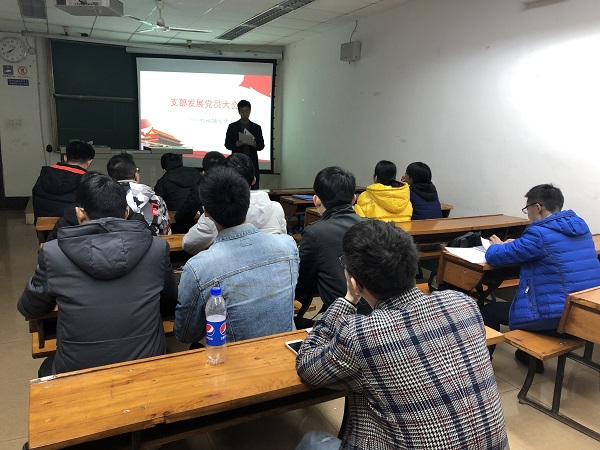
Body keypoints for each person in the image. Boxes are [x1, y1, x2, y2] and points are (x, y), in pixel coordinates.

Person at [295, 220, 509, 450]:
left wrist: (348, 300)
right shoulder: (463, 304)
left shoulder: (363, 334)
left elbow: (307, 365)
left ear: (355, 283)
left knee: (313, 441)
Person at [18, 172, 177, 377]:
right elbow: (169, 300)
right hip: (147, 361)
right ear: (126, 212)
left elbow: (30, 308)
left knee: (45, 370)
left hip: (78, 370)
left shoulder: (53, 254)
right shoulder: (157, 248)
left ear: (79, 214)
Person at [482, 184, 600, 369]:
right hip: (584, 316)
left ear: (537, 207)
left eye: (527, 208)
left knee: (487, 312)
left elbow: (496, 257)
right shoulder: (580, 226)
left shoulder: (538, 233)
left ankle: (481, 370)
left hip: (558, 320)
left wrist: (496, 246)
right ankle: (529, 359)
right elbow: (549, 248)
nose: (527, 214)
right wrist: (519, 243)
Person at [175, 166, 298, 344]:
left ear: (205, 211)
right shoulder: (288, 246)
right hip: (287, 352)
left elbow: (185, 334)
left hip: (234, 358)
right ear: (247, 201)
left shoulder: (198, 268)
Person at [295, 166, 370, 320]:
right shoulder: (372, 225)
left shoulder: (314, 233)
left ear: (316, 200)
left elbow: (301, 280)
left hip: (344, 317)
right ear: (354, 199)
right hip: (378, 311)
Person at [182, 153, 285, 255]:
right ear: (254, 180)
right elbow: (283, 240)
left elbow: (189, 244)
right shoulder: (276, 208)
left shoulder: (214, 214)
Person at [107, 153, 171, 235]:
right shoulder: (155, 198)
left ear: (109, 178)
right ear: (136, 175)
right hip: (150, 241)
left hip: (114, 241)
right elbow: (166, 231)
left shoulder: (103, 197)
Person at [32, 140, 95, 219]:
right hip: (75, 226)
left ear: (65, 158)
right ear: (89, 162)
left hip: (44, 226)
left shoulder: (45, 175)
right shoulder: (90, 183)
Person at [174, 151, 225, 233]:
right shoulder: (235, 184)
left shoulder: (201, 187)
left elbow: (181, 216)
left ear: (204, 169)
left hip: (210, 233)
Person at [225, 99, 264, 189]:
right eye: (242, 111)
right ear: (239, 112)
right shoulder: (232, 127)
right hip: (236, 163)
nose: (245, 114)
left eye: (247, 111)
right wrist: (236, 144)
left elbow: (261, 146)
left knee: (253, 189)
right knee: (235, 188)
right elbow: (227, 144)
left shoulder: (256, 127)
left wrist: (255, 144)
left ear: (250, 111)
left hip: (252, 163)